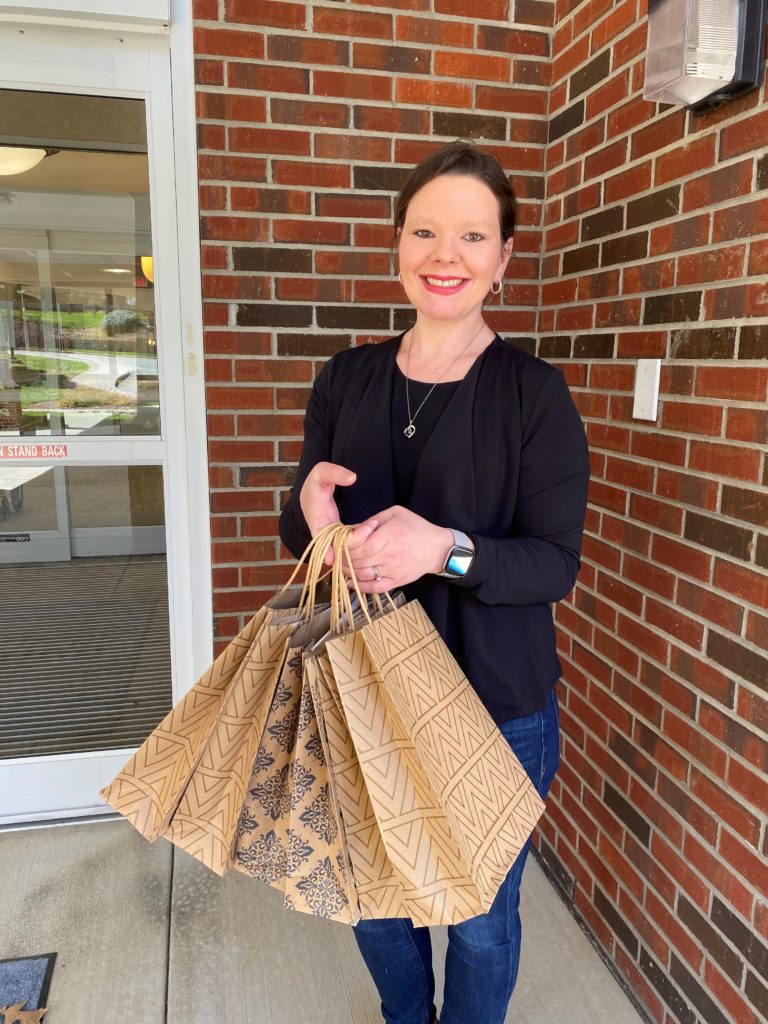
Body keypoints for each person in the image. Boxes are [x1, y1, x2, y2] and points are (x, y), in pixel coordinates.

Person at [279, 140, 590, 1024]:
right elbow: (303, 526)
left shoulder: (535, 395)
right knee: (375, 896)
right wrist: (307, 510)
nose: (443, 255)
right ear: (397, 246)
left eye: (470, 236)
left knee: (482, 918)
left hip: (494, 702)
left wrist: (443, 550)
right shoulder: (346, 378)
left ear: (501, 260)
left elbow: (552, 564)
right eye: (424, 231)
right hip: (361, 689)